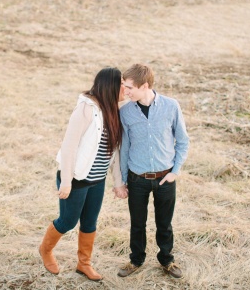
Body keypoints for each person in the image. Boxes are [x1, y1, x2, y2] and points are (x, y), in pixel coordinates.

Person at [39, 67, 127, 281]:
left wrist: (118, 182)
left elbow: (115, 152)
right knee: (68, 221)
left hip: (97, 180)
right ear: (111, 86)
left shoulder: (115, 111)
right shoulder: (86, 109)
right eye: (122, 84)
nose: (125, 88)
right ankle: (45, 250)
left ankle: (84, 264)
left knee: (90, 222)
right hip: (77, 178)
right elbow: (69, 146)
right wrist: (67, 180)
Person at [115, 63, 190, 279]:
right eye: (124, 86)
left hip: (165, 178)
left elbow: (183, 142)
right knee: (137, 223)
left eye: (129, 87)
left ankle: (167, 260)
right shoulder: (125, 112)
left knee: (164, 224)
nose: (125, 92)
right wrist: (120, 181)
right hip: (137, 178)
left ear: (144, 85)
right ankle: (135, 260)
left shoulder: (171, 106)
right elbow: (124, 147)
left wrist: (175, 171)